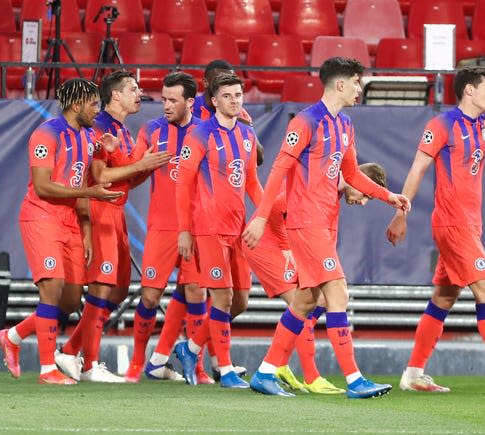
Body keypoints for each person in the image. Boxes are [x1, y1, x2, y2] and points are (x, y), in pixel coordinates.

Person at [242, 57, 410, 398]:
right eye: (357, 82)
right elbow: (277, 170)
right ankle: (354, 379)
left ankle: (264, 372)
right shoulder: (305, 122)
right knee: (338, 292)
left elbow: (352, 175)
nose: (360, 89)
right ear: (340, 84)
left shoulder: (345, 125)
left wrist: (387, 196)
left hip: (325, 222)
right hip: (305, 222)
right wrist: (260, 217)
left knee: (306, 301)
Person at [386, 66, 485, 393]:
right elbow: (418, 167)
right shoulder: (442, 124)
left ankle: (413, 374)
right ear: (469, 91)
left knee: (443, 298)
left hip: (470, 225)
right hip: (453, 223)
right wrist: (400, 212)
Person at [0, 78, 124, 384]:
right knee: (52, 289)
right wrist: (91, 194)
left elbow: (88, 167)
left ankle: (12, 335)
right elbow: (42, 186)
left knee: (69, 300)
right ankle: (47, 369)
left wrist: (87, 231)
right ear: (76, 105)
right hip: (42, 217)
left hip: (70, 221)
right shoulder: (46, 133)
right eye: (93, 104)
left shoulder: (87, 136)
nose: (98, 109)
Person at [55, 70, 171, 383]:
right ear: (115, 95)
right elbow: (101, 176)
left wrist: (148, 165)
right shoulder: (100, 126)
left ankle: (69, 350)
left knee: (117, 291)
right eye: (133, 88)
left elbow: (130, 176)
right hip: (99, 208)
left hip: (116, 212)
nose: (140, 93)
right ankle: (90, 364)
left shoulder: (123, 129)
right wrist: (141, 164)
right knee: (100, 288)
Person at [241, 163, 389, 395]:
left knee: (311, 302)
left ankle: (269, 370)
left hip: (294, 244)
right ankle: (317, 377)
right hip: (266, 244)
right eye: (366, 195)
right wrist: (285, 246)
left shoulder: (334, 192)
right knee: (320, 299)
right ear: (358, 180)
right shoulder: (322, 181)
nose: (363, 202)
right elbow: (276, 208)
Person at [173, 73, 263, 387]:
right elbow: (182, 185)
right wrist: (184, 230)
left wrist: (266, 216)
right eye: (227, 96)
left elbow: (251, 182)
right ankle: (225, 370)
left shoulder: (247, 135)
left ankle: (191, 346)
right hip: (207, 227)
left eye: (238, 95)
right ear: (213, 101)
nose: (235, 100)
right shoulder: (199, 134)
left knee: (240, 301)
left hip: (237, 229)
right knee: (222, 297)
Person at [120, 72, 209, 383]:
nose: (166, 105)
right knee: (149, 298)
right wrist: (142, 164)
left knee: (197, 293)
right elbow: (131, 175)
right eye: (163, 99)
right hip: (161, 227)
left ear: (190, 102)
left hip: (197, 228)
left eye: (173, 100)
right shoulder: (151, 130)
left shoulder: (206, 132)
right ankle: (136, 362)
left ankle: (196, 367)